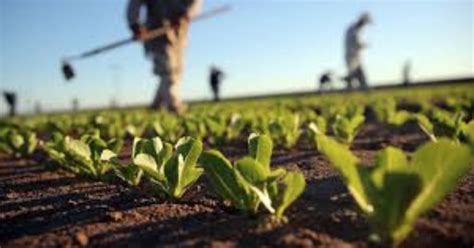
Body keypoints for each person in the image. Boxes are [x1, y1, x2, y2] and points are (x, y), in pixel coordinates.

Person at [127, 0, 203, 113]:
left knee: (176, 72)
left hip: (178, 35)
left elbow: (195, 2)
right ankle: (173, 105)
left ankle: (156, 105)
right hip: (157, 33)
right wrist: (135, 25)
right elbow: (135, 4)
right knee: (168, 71)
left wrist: (187, 14)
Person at [344, 12, 371, 90]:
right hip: (352, 57)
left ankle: (364, 89)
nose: (365, 25)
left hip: (355, 57)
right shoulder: (353, 29)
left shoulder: (355, 29)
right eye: (365, 23)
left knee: (357, 74)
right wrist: (364, 45)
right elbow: (355, 42)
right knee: (354, 75)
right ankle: (362, 89)